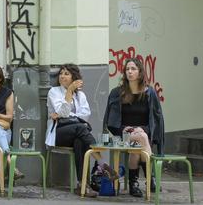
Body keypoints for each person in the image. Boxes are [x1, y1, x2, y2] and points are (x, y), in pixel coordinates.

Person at [45, 64, 114, 198]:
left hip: (76, 132)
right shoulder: (54, 92)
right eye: (61, 73)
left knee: (80, 141)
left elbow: (85, 115)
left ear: (74, 77)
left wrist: (65, 115)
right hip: (58, 133)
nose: (62, 76)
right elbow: (64, 113)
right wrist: (69, 92)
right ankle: (102, 163)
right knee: (80, 128)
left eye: (66, 74)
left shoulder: (80, 95)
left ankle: (83, 185)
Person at [103, 58, 164, 197]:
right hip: (124, 136)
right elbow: (111, 121)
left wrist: (143, 129)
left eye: (133, 69)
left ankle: (133, 184)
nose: (130, 72)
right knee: (141, 139)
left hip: (143, 134)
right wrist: (123, 129)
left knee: (137, 147)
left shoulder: (149, 93)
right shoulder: (117, 93)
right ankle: (151, 178)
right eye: (127, 69)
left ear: (140, 72)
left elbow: (156, 120)